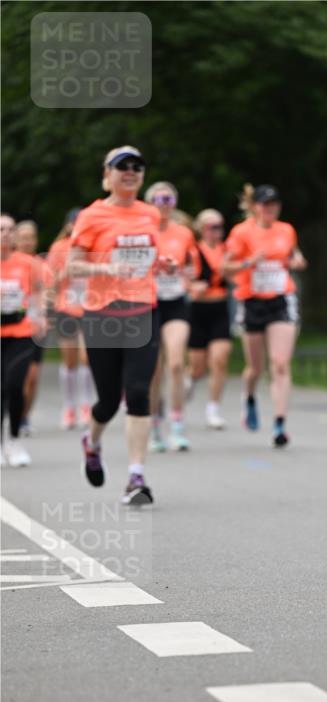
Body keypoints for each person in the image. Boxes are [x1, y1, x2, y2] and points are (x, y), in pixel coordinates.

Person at [67, 145, 169, 505]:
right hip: (103, 315)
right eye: (122, 166)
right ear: (107, 175)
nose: (130, 172)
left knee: (139, 392)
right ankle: (91, 442)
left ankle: (136, 477)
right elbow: (72, 266)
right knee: (108, 400)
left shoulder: (150, 214)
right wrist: (106, 268)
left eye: (137, 167)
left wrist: (165, 264)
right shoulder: (92, 216)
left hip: (143, 310)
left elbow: (150, 258)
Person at [225, 184, 307, 447]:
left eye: (275, 204)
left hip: (281, 299)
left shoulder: (286, 230)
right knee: (255, 368)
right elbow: (225, 267)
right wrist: (249, 262)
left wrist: (297, 262)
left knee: (280, 363)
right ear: (255, 207)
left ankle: (280, 423)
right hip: (251, 301)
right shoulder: (241, 232)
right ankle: (249, 397)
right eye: (265, 204)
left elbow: (295, 255)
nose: (271, 209)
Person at [145, 182, 199, 452]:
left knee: (176, 363)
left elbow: (193, 267)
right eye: (159, 198)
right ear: (150, 203)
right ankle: (155, 424)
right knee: (154, 369)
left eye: (168, 198)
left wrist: (190, 279)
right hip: (150, 304)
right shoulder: (142, 232)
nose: (164, 203)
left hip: (176, 302)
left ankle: (177, 424)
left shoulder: (184, 234)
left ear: (174, 203)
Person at [1, 214, 46, 466]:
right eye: (1, 229)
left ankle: (15, 440)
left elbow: (39, 292)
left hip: (21, 332)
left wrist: (40, 316)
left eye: (10, 230)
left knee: (15, 385)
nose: (6, 234)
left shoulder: (28, 263)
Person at [46, 208, 94, 429]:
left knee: (86, 358)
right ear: (69, 225)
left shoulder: (94, 246)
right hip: (65, 307)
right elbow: (49, 281)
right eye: (74, 224)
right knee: (70, 359)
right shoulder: (59, 248)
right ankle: (69, 406)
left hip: (89, 307)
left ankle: (86, 404)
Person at [188, 208, 232, 430]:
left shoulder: (227, 251)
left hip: (220, 308)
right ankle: (190, 380)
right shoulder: (194, 252)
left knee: (220, 359)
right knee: (198, 366)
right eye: (213, 227)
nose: (218, 231)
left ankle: (213, 408)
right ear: (202, 229)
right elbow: (185, 279)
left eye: (220, 226)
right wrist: (194, 286)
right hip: (198, 310)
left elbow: (236, 272)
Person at [15, 220, 49, 435]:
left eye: (31, 237)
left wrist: (44, 313)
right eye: (24, 237)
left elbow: (47, 291)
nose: (28, 242)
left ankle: (24, 416)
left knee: (32, 376)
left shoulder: (41, 265)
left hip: (34, 327)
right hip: (10, 327)